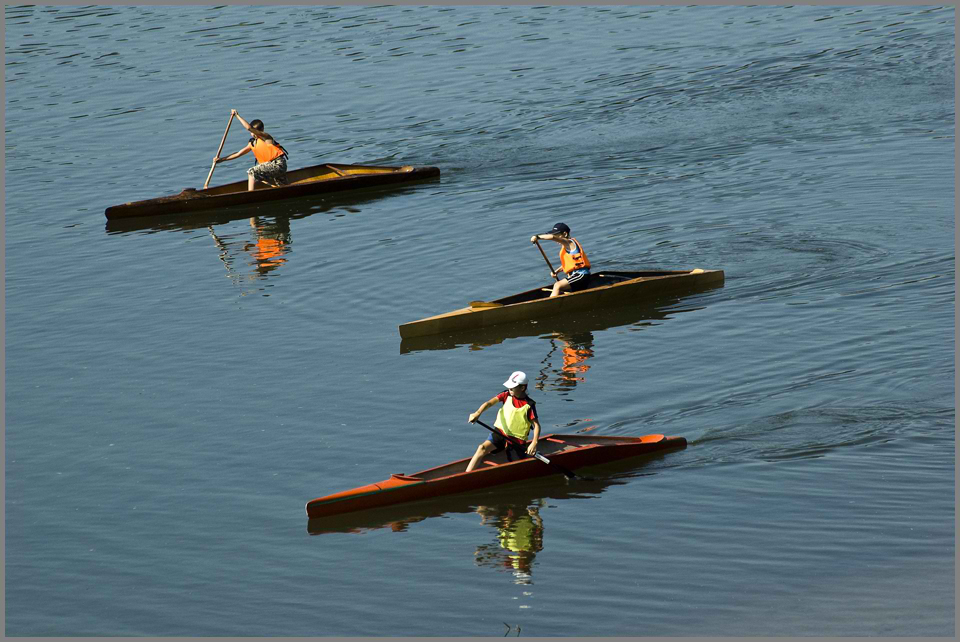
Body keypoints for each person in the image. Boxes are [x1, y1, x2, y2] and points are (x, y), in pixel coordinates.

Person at [466, 371, 541, 472]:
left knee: (516, 467)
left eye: (512, 388)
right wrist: (477, 413)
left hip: (516, 440)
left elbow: (536, 426)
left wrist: (534, 443)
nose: (509, 389)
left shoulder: (529, 405)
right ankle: (467, 475)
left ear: (522, 388)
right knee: (481, 448)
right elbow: (489, 403)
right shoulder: (506, 395)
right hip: (500, 433)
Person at [214, 109, 289, 191]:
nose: (253, 133)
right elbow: (238, 154)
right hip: (270, 166)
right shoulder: (252, 143)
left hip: (278, 164)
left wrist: (237, 115)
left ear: (261, 131)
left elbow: (249, 128)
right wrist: (222, 159)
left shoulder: (266, 137)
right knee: (283, 187)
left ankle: (250, 193)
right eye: (252, 132)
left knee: (251, 172)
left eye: (255, 131)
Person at [530, 222, 591, 297]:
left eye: (558, 236)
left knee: (557, 285)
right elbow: (570, 264)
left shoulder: (569, 242)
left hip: (581, 275)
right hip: (576, 276)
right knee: (564, 288)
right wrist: (557, 271)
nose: (557, 239)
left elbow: (552, 237)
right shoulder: (566, 248)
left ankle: (550, 304)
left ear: (565, 234)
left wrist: (537, 237)